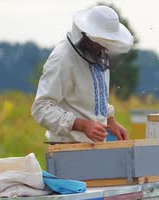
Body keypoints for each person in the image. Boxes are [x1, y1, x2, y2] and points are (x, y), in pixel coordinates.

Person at [31, 5, 133, 143]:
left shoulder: (99, 55)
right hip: (67, 149)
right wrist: (81, 125)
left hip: (96, 148)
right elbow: (41, 108)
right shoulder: (62, 58)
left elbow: (95, 98)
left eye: (108, 42)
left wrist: (111, 121)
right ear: (86, 35)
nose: (104, 47)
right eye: (101, 42)